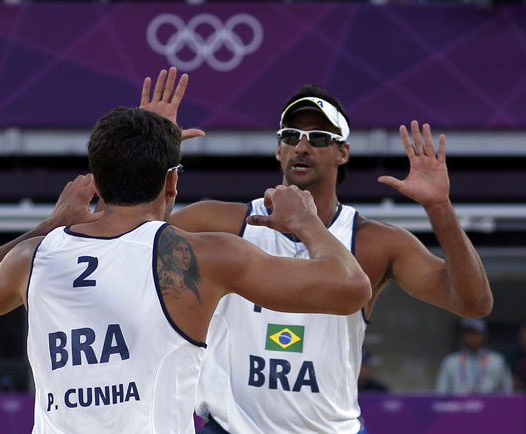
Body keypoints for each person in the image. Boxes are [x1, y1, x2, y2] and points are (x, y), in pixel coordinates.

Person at [0, 101, 371, 433]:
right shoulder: (201, 256)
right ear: (172, 181)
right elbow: (351, 287)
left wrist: (51, 224)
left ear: (96, 178)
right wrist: (307, 223)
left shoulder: (34, 257)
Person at [139, 67, 493, 433]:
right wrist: (151, 158)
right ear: (279, 149)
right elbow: (138, 241)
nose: (302, 145)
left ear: (343, 152)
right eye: (291, 135)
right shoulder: (224, 222)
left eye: (319, 137)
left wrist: (439, 207)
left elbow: (473, 303)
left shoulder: (372, 241)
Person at [435, 319, 512, 394]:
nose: (472, 337)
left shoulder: (497, 361)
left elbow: (507, 392)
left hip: (490, 405)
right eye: (468, 333)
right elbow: (441, 393)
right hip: (458, 405)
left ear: (484, 335)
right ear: (463, 336)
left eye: (476, 333)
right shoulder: (450, 361)